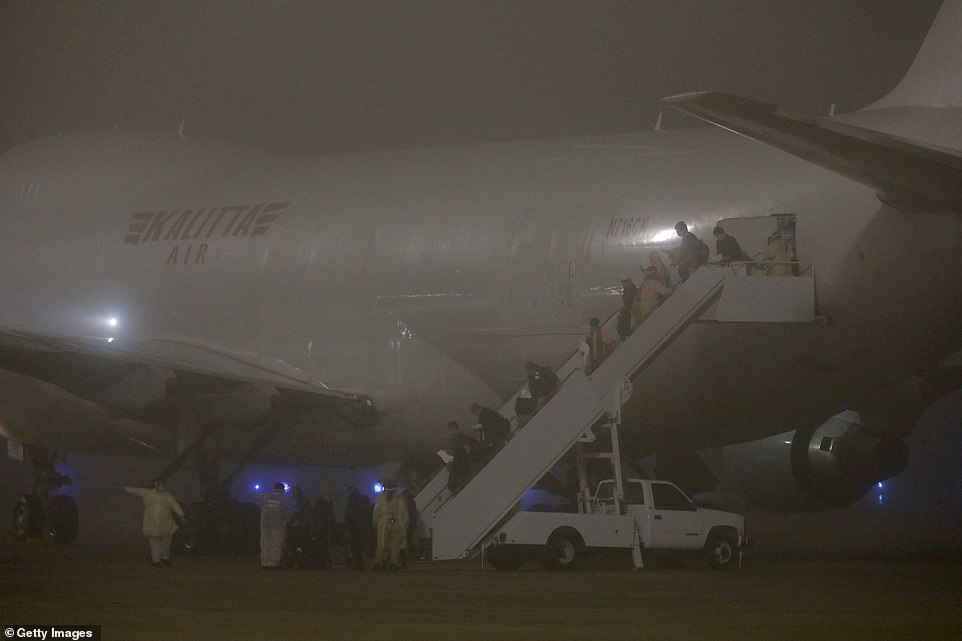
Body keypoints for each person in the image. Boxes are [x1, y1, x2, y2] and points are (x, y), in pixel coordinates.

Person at [124, 479, 185, 567]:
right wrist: (125, 488)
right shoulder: (146, 492)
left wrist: (181, 514)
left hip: (166, 523)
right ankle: (156, 561)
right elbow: (135, 490)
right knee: (154, 543)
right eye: (159, 484)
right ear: (155, 485)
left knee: (166, 543)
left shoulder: (167, 495)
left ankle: (165, 558)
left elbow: (174, 505)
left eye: (162, 484)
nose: (161, 486)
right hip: (152, 523)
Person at [371, 480, 409, 571]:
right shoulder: (400, 498)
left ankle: (380, 562)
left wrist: (375, 522)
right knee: (395, 545)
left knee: (382, 543)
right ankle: (393, 563)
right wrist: (405, 524)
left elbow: (376, 511)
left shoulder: (381, 498)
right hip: (397, 521)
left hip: (383, 522)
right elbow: (404, 513)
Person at [257, 482, 294, 569]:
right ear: (283, 490)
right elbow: (288, 513)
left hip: (264, 525)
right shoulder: (283, 499)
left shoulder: (266, 498)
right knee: (276, 544)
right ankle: (272, 563)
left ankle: (264, 562)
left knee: (265, 543)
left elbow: (258, 499)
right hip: (278, 526)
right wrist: (289, 521)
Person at [344, 485, 373, 570]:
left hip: (354, 527)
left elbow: (348, 515)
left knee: (355, 547)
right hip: (364, 527)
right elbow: (369, 512)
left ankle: (357, 564)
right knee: (362, 546)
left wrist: (347, 529)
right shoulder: (365, 499)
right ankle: (362, 563)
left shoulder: (350, 501)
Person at [446, 420, 479, 493]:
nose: (449, 432)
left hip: (463, 461)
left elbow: (467, 450)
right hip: (461, 460)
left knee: (454, 477)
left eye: (450, 430)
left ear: (454, 429)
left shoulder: (461, 438)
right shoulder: (456, 439)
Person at [313, 488, 336, 569]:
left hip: (323, 527)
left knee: (323, 546)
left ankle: (322, 563)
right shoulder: (323, 503)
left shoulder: (323, 503)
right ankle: (322, 563)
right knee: (322, 546)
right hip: (322, 528)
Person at [399, 486, 419, 569]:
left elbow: (412, 515)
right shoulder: (410, 503)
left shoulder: (408, 503)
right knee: (408, 541)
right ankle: (408, 558)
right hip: (410, 524)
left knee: (407, 541)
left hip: (409, 525)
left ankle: (407, 558)